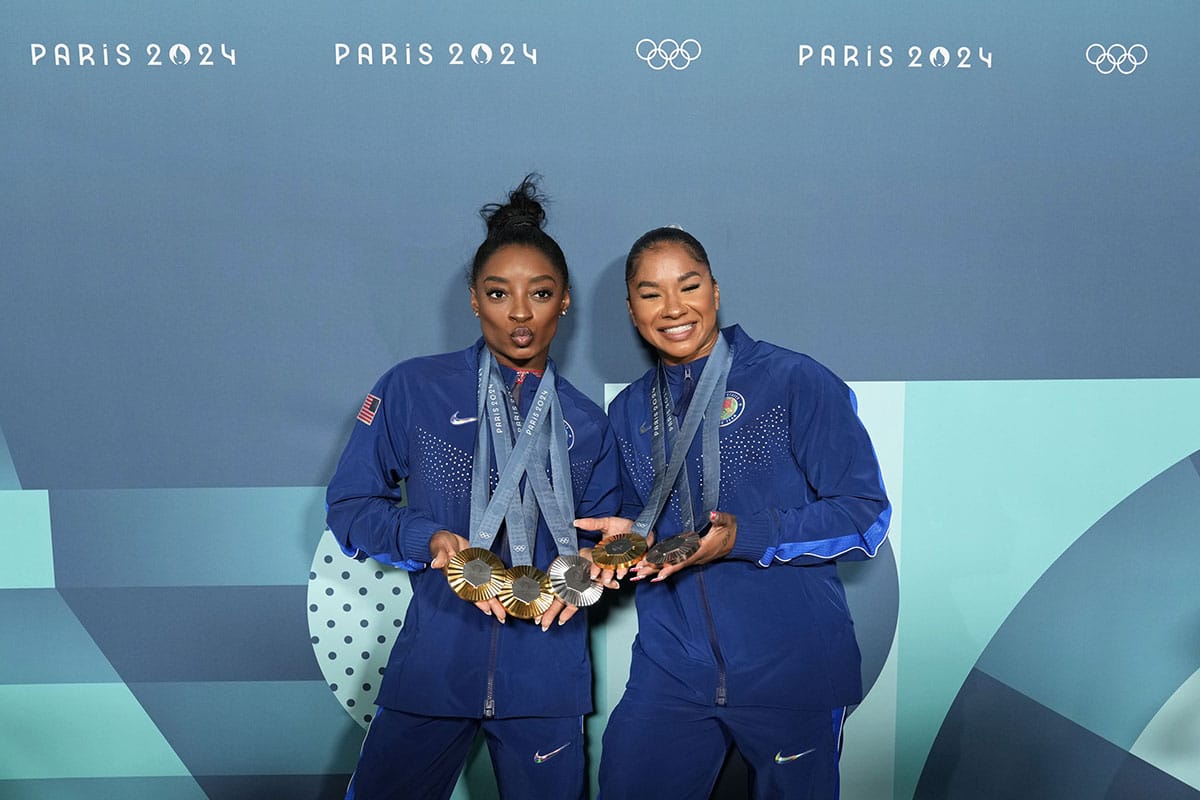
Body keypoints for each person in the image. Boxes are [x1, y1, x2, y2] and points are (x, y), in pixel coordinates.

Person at [326, 177, 620, 800]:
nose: (519, 313)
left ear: (564, 302)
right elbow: (351, 506)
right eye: (498, 293)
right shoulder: (413, 389)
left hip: (547, 677)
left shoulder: (588, 423)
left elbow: (607, 538)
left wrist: (601, 562)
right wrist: (427, 538)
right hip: (432, 669)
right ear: (473, 300)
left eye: (540, 294)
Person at [578, 227, 890, 799]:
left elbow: (864, 513)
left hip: (792, 671)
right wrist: (625, 539)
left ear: (715, 293)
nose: (673, 308)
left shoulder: (793, 380)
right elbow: (633, 524)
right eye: (651, 294)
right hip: (671, 672)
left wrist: (747, 536)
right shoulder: (627, 412)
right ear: (631, 309)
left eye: (688, 286)